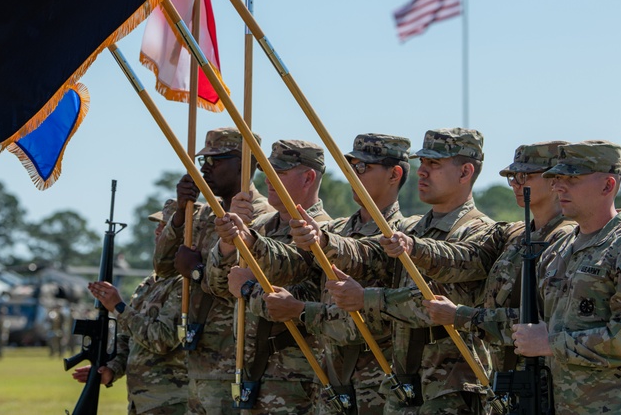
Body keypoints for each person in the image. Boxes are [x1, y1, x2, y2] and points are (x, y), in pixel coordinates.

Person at [298, 128, 496, 415]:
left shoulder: (480, 231)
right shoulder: (408, 229)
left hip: (451, 391)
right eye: (423, 163)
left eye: (434, 165)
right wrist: (324, 240)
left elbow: (431, 299)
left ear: (465, 172)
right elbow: (368, 253)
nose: (422, 172)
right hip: (404, 388)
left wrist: (367, 298)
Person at [247, 133, 414, 415]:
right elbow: (293, 264)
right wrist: (249, 240)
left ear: (394, 174)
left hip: (378, 385)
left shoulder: (408, 234)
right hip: (333, 385)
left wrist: (302, 311)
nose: (353, 175)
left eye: (363, 168)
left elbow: (368, 266)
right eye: (350, 167)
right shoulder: (337, 229)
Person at [381, 141, 576, 379]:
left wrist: (461, 316)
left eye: (524, 176)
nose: (515, 183)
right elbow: (466, 258)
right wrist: (414, 247)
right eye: (512, 176)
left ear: (554, 180)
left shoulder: (567, 240)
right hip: (507, 377)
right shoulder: (513, 234)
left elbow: (541, 323)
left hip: (546, 379)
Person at [512, 141, 621, 414]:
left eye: (572, 178)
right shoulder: (559, 250)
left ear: (608, 186)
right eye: (558, 177)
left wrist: (551, 343)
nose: (559, 186)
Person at [151, 127, 273, 415]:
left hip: (238, 360)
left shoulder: (264, 219)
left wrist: (196, 272)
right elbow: (163, 267)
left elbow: (245, 287)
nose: (206, 168)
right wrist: (181, 214)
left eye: (216, 161)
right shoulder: (203, 214)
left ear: (246, 163)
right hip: (201, 360)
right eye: (204, 160)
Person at [207, 139, 334, 414]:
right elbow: (217, 285)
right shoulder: (261, 226)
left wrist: (247, 287)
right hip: (250, 372)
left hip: (296, 379)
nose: (268, 179)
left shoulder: (326, 234)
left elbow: (303, 297)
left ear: (308, 177)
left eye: (280, 172)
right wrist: (230, 240)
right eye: (267, 170)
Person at [74, 200, 187, 415]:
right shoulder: (150, 283)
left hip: (171, 402)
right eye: (159, 226)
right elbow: (129, 338)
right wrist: (111, 370)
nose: (157, 231)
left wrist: (118, 307)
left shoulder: (184, 283)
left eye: (165, 226)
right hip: (140, 402)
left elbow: (162, 339)